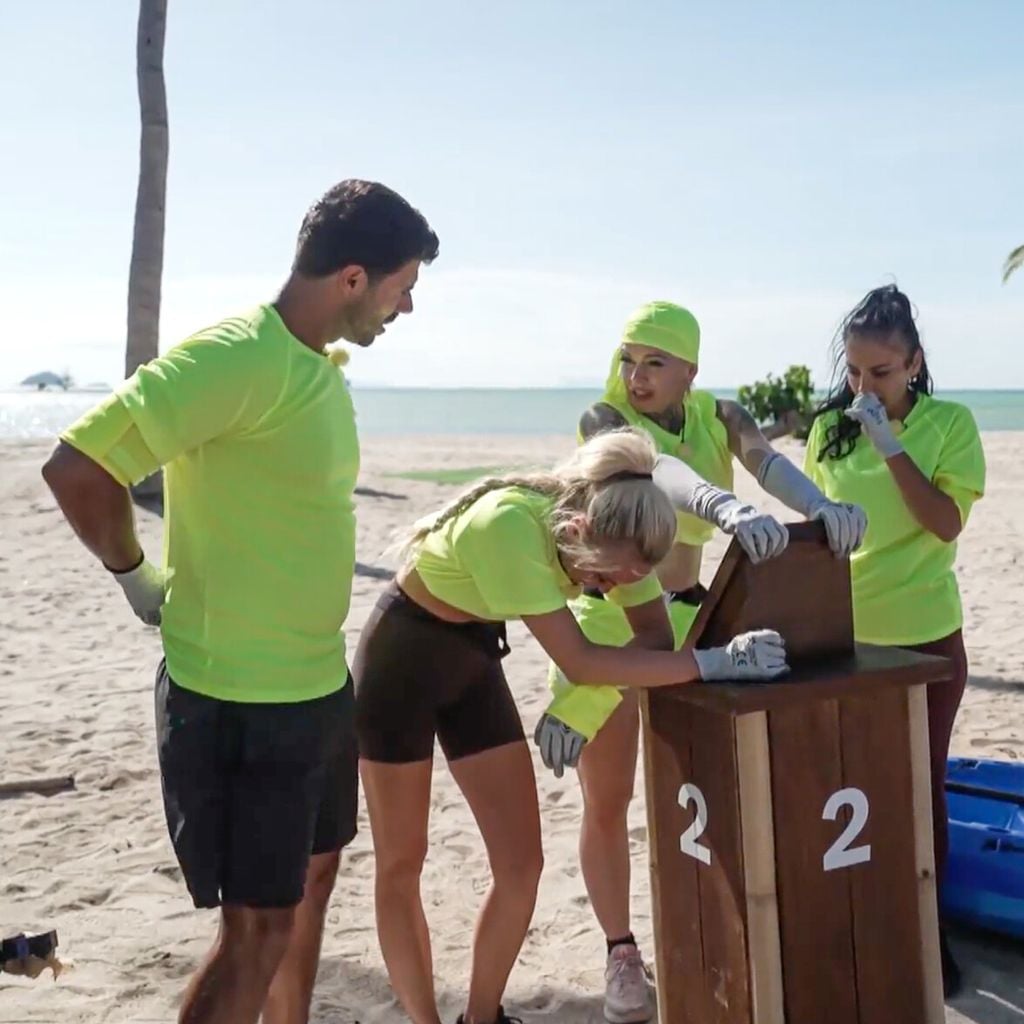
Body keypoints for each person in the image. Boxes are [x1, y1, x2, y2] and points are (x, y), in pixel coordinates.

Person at [41, 179, 439, 1024]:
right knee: (257, 928)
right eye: (405, 286)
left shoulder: (317, 365)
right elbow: (79, 468)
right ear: (355, 277)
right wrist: (134, 578)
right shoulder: (234, 356)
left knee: (312, 883)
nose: (409, 308)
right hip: (237, 700)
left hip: (317, 687)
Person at [352, 427, 790, 1024]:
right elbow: (581, 659)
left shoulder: (624, 535)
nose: (609, 589)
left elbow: (654, 641)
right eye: (604, 579)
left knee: (521, 864)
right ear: (579, 530)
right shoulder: (509, 527)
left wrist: (687, 662)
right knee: (403, 862)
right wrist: (714, 662)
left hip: (471, 655)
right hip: (400, 657)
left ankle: (480, 1018)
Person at [533, 300, 867, 1024]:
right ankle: (622, 952)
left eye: (655, 362)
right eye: (629, 358)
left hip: (689, 614)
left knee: (707, 791)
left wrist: (820, 507)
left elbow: (766, 461)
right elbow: (662, 473)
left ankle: (719, 932)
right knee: (608, 798)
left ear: (691, 369)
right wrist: (720, 506)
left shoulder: (724, 413)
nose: (637, 375)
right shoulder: (604, 420)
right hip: (611, 614)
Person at [804, 284, 986, 998]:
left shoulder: (951, 425)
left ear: (913, 362)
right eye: (853, 372)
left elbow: (943, 523)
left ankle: (925, 928)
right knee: (849, 787)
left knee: (919, 788)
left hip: (927, 641)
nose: (863, 387)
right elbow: (822, 528)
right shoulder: (829, 430)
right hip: (846, 639)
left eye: (880, 372)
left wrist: (890, 447)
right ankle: (857, 917)